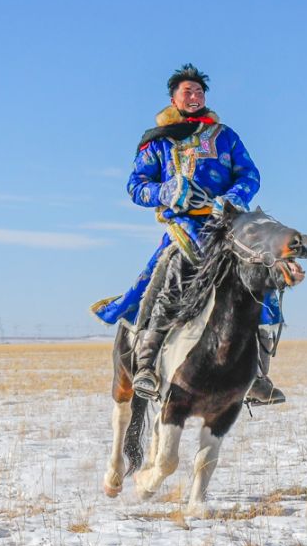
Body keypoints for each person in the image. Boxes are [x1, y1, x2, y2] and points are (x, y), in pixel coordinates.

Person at [91, 63, 287, 405]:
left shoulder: (225, 136)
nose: (194, 96)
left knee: (261, 281)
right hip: (184, 228)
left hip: (227, 226)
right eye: (187, 91)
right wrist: (167, 191)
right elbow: (136, 187)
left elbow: (250, 174)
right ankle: (147, 366)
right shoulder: (157, 142)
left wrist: (231, 198)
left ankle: (257, 375)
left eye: (199, 91)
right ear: (174, 98)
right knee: (164, 280)